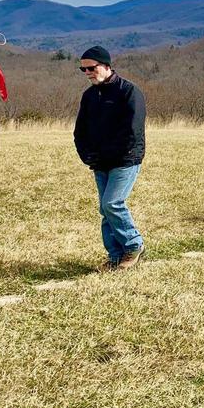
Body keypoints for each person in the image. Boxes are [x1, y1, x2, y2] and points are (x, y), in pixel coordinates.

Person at [73, 45, 147, 272]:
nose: (87, 73)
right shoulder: (89, 96)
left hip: (125, 160)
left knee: (112, 203)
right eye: (82, 69)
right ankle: (115, 256)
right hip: (100, 162)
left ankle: (134, 245)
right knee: (105, 210)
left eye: (91, 68)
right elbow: (80, 131)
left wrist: (117, 153)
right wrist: (87, 155)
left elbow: (132, 131)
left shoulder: (129, 91)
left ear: (106, 66)